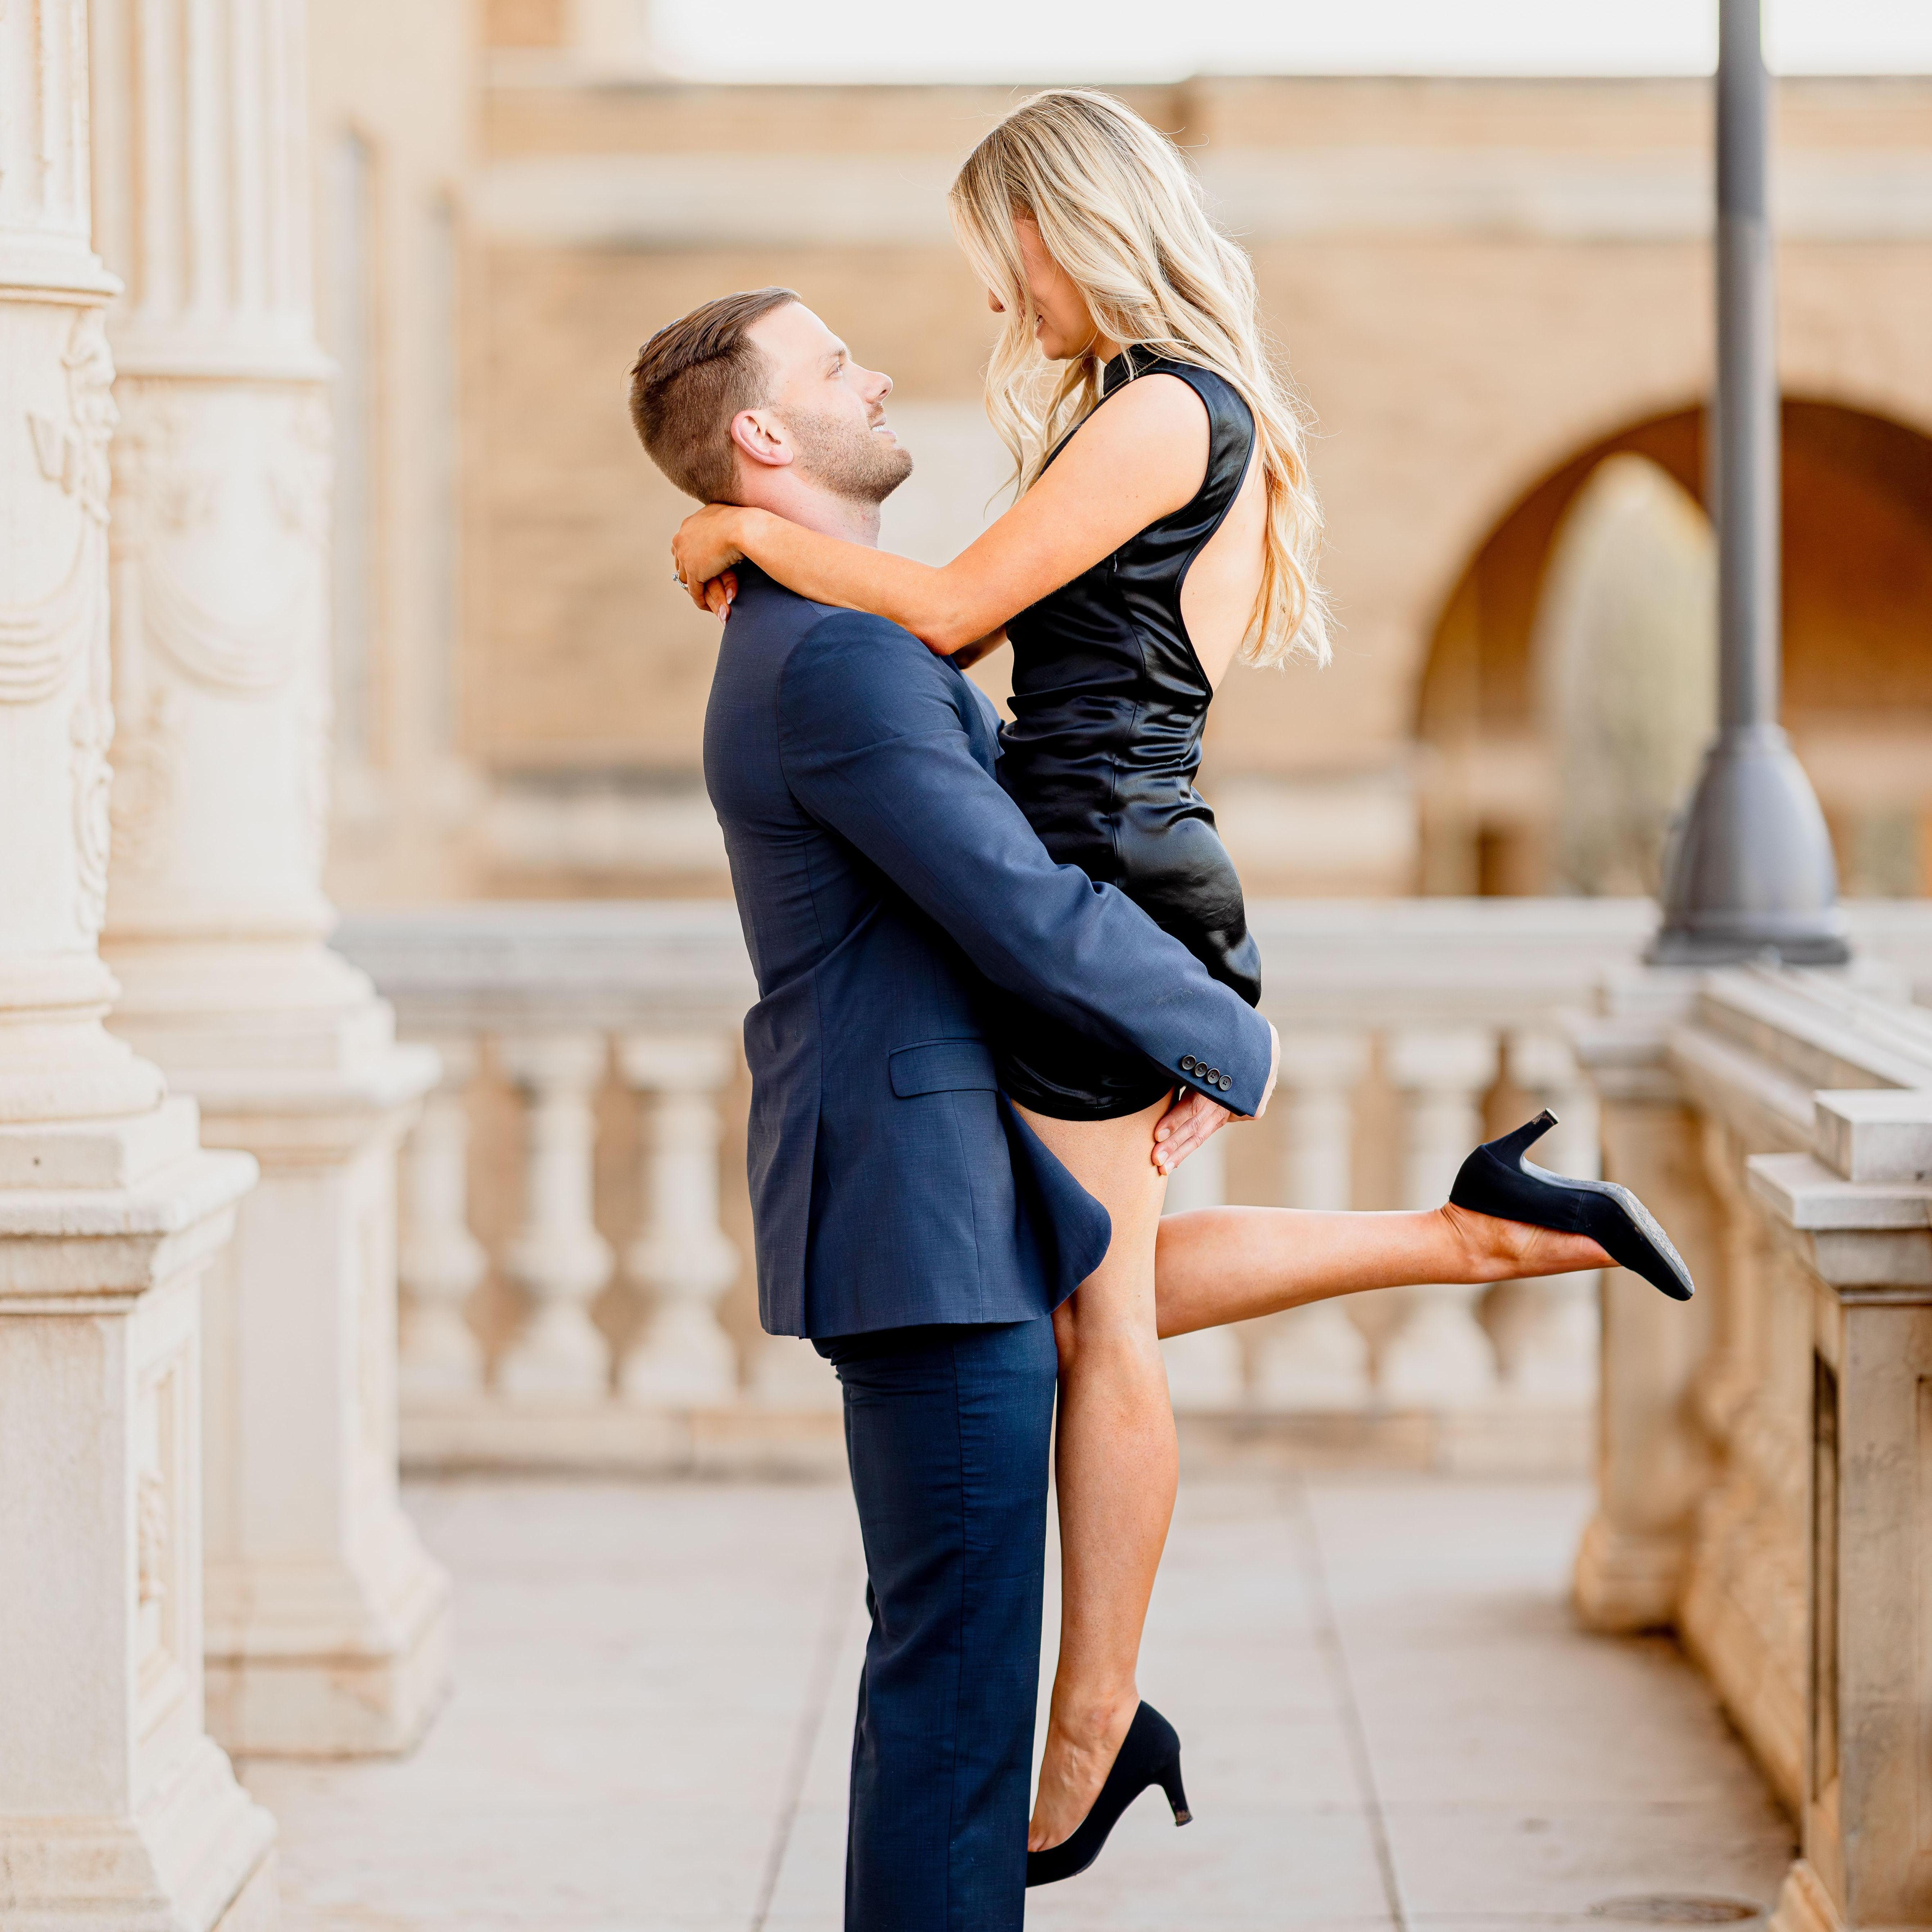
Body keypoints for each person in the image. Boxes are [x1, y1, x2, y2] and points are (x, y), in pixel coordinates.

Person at [634, 279, 1686, 1925]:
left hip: (935, 1175)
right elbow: (1011, 905)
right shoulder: (831, 666)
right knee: (951, 1688)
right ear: (762, 432)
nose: (877, 369)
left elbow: (969, 694)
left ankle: (1471, 1232)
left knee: (977, 1606)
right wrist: (1223, 1040)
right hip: (915, 1200)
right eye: (836, 365)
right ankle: (1456, 1245)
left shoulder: (829, 631)